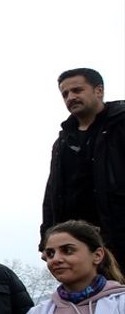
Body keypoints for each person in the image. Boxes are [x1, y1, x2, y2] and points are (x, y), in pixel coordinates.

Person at [42, 68, 124, 259]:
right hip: (77, 244)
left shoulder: (120, 125)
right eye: (65, 94)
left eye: (77, 90)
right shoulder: (63, 142)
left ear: (98, 91)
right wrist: (46, 239)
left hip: (118, 236)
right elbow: (52, 192)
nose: (70, 97)